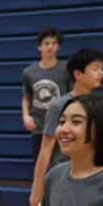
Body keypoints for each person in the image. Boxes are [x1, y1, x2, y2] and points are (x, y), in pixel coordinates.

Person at [30, 47, 103, 206]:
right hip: (64, 181)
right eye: (95, 68)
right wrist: (37, 188)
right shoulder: (60, 106)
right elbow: (45, 150)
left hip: (90, 179)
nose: (100, 73)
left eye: (101, 68)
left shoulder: (99, 106)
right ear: (78, 74)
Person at [22, 27, 71, 162]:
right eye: (47, 43)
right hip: (39, 127)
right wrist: (26, 116)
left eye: (54, 43)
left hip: (61, 126)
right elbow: (27, 97)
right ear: (39, 46)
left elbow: (73, 96)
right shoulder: (29, 72)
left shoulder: (66, 69)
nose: (50, 47)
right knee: (41, 166)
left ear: (58, 46)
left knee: (62, 167)